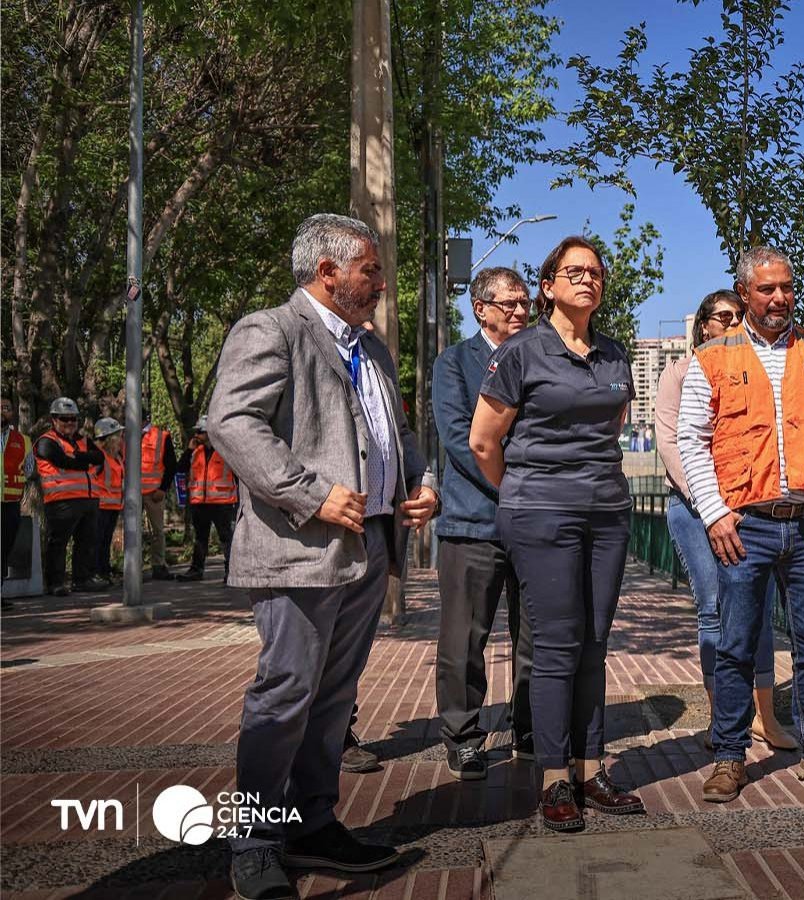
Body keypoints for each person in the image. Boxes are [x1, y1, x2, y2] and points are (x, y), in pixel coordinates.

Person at [208, 213, 438, 900]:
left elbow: (393, 431)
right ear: (328, 271)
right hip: (301, 548)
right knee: (285, 695)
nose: (380, 281)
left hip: (367, 544)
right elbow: (232, 423)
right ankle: (254, 838)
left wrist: (419, 481)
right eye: (370, 268)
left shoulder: (373, 348)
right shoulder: (270, 330)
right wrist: (309, 495)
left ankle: (312, 822)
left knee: (334, 699)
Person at [677, 245, 804, 804]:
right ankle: (730, 758)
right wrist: (714, 514)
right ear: (744, 295)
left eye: (785, 287)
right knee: (736, 644)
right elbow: (692, 440)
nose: (779, 297)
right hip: (746, 527)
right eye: (766, 289)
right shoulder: (711, 358)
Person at [470, 235, 645, 832]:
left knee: (595, 639)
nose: (587, 279)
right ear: (547, 286)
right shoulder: (521, 351)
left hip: (605, 511)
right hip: (539, 511)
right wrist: (522, 494)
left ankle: (591, 766)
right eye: (573, 271)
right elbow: (483, 443)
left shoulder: (616, 355)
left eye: (595, 271)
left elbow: (610, 431)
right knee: (555, 644)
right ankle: (553, 777)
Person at [656, 289, 795, 752]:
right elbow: (672, 445)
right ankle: (724, 720)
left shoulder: (751, 369)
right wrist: (714, 506)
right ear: (703, 325)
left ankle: (765, 718)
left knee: (758, 609)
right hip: (696, 510)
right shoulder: (678, 372)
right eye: (722, 317)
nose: (731, 322)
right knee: (714, 607)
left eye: (738, 315)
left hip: (748, 507)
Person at [431, 266, 536, 779]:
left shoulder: (539, 358)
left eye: (525, 303)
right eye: (510, 304)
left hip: (536, 525)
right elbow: (460, 438)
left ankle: (531, 726)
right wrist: (516, 485)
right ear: (481, 309)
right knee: (463, 640)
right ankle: (463, 735)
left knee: (534, 636)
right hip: (474, 523)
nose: (521, 311)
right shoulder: (454, 363)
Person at [34, 398, 105, 596]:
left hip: (88, 498)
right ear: (54, 420)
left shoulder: (82, 439)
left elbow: (99, 457)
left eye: (73, 419)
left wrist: (78, 457)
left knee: (86, 541)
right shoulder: (47, 441)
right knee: (58, 543)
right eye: (65, 419)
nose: (70, 423)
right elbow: (62, 461)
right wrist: (83, 460)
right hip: (61, 500)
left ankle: (81, 580)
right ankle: (54, 583)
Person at [176, 416, 238, 582]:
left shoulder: (226, 452)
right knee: (200, 538)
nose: (196, 435)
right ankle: (196, 570)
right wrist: (189, 450)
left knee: (226, 538)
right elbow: (180, 468)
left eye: (200, 432)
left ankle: (231, 571)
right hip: (200, 503)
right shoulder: (195, 452)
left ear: (210, 432)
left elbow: (238, 476)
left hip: (221, 503)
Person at [138, 412, 179, 579]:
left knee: (158, 531)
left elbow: (171, 465)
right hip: (131, 493)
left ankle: (158, 565)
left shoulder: (161, 436)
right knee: (132, 531)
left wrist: (163, 488)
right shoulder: (125, 435)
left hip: (153, 492)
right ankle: (133, 568)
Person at [89, 417, 127, 585]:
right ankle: (95, 571)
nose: (121, 439)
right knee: (96, 541)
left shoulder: (116, 457)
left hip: (112, 506)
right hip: (100, 506)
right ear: (109, 438)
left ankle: (104, 571)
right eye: (118, 436)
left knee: (105, 541)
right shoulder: (99, 456)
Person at [2, 397, 32, 580]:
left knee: (4, 548)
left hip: (11, 504)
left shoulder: (23, 440)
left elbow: (28, 470)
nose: (1, 412)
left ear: (12, 413)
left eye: (5, 408)